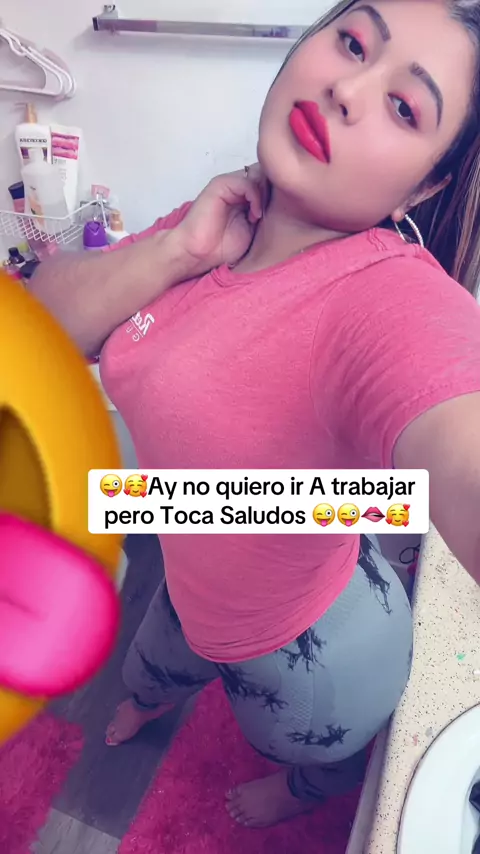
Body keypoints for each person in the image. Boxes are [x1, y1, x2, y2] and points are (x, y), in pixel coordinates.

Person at [32, 0, 480, 830]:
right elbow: (33, 328)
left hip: (316, 649)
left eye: (403, 106)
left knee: (314, 746)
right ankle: (154, 698)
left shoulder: (387, 299)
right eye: (353, 42)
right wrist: (175, 251)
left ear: (425, 185)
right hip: (193, 545)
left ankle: (308, 786)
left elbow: (462, 423)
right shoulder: (215, 217)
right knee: (147, 669)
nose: (348, 89)